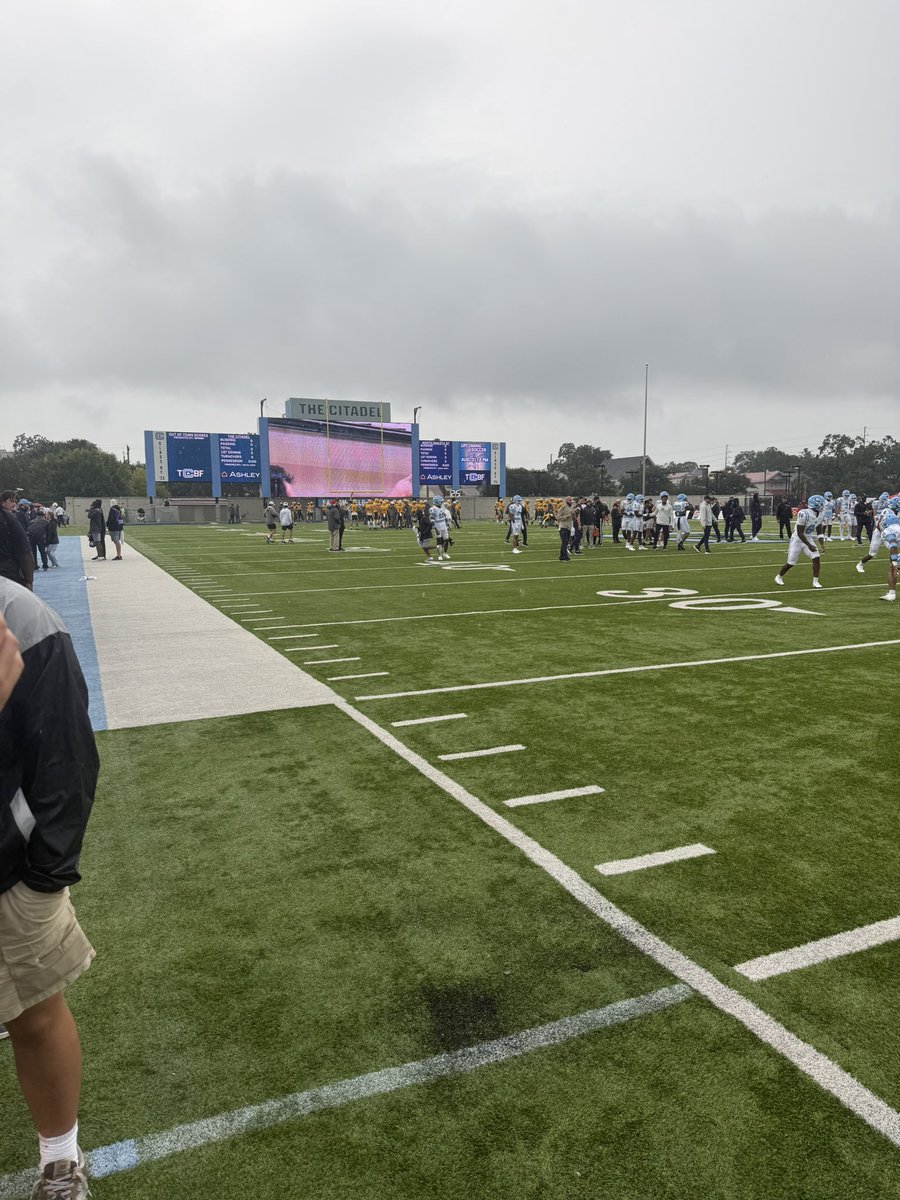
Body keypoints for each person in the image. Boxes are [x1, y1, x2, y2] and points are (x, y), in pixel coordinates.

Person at [0, 576, 99, 1199]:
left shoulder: (21, 617)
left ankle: (61, 1160)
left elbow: (66, 758)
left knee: (34, 1016)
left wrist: (45, 876)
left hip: (8, 872)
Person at [775, 495, 825, 588]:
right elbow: (800, 533)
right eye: (821, 504)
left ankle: (815, 581)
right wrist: (809, 545)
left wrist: (822, 543)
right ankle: (779, 576)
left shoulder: (820, 515)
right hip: (797, 539)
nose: (823, 506)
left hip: (808, 538)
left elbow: (819, 529)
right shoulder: (804, 513)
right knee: (791, 562)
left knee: (816, 557)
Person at [856, 497, 900, 576]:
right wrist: (885, 533)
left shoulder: (894, 513)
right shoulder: (887, 511)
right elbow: (879, 525)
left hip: (889, 532)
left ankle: (893, 568)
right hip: (879, 533)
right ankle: (860, 564)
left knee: (893, 548)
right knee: (872, 554)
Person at [0, 493, 35, 590]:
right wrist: (29, 580)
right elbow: (24, 552)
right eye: (11, 501)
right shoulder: (9, 517)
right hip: (7, 573)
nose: (14, 504)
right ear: (2, 502)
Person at [429, 496, 452, 561]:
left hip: (444, 526)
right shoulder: (433, 509)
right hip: (438, 526)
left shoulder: (442, 508)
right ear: (437, 502)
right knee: (439, 541)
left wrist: (448, 525)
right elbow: (432, 520)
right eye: (440, 501)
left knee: (446, 539)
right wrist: (435, 529)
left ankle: (445, 553)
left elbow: (444, 517)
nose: (441, 502)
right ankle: (439, 555)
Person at [556, 496, 575, 561]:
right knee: (564, 542)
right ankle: (565, 556)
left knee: (566, 542)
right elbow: (558, 517)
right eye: (570, 501)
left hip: (569, 526)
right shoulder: (562, 508)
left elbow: (573, 518)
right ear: (567, 501)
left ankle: (561, 556)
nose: (571, 502)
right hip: (563, 526)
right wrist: (566, 516)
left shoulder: (572, 508)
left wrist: (574, 515)